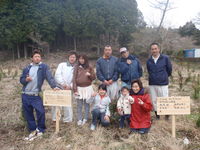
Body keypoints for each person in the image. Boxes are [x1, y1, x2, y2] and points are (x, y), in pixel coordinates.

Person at [20, 49, 58, 141]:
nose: (37, 58)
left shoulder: (43, 67)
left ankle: (41, 129)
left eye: (39, 57)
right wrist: (26, 80)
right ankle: (33, 129)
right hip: (25, 95)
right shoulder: (27, 68)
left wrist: (54, 86)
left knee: (40, 111)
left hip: (35, 95)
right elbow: (21, 80)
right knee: (28, 113)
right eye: (36, 56)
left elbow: (49, 77)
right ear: (32, 58)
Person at [146, 42, 172, 120]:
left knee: (164, 99)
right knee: (154, 100)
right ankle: (157, 115)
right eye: (152, 49)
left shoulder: (165, 58)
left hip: (163, 83)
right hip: (152, 83)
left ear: (159, 49)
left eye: (155, 48)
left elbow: (169, 70)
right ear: (150, 50)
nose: (154, 50)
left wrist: (163, 77)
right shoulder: (149, 60)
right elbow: (149, 71)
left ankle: (167, 114)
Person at [51, 51, 77, 123]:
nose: (72, 58)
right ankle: (55, 119)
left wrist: (70, 86)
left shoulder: (77, 67)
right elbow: (57, 75)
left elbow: (77, 78)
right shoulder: (62, 65)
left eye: (74, 57)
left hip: (69, 88)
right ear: (68, 57)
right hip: (59, 87)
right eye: (71, 57)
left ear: (76, 58)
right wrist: (63, 84)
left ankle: (67, 120)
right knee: (57, 103)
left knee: (67, 104)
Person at [73, 54, 96, 126]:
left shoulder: (90, 67)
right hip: (79, 88)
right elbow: (74, 79)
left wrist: (90, 75)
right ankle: (79, 119)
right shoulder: (76, 67)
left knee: (86, 104)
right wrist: (75, 90)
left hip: (87, 88)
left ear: (85, 59)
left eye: (83, 59)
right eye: (80, 59)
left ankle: (85, 118)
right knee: (79, 105)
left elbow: (94, 78)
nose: (81, 60)